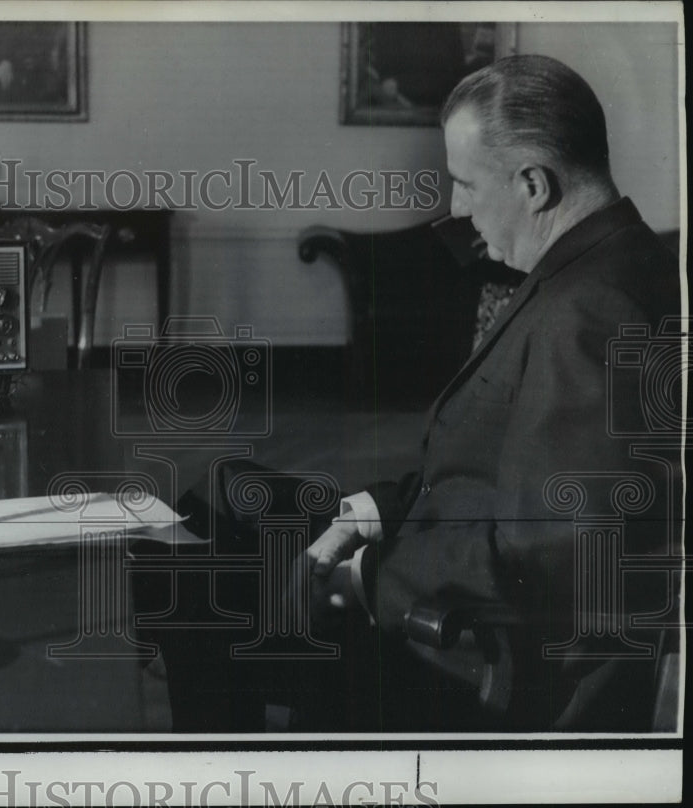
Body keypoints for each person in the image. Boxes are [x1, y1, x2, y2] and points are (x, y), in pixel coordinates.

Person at [138, 54, 681, 732]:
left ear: (534, 185)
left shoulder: (593, 308)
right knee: (223, 494)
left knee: (205, 598)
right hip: (441, 566)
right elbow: (493, 471)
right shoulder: (604, 268)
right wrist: (370, 511)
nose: (455, 208)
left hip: (471, 657)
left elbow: (554, 551)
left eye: (463, 183)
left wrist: (368, 575)